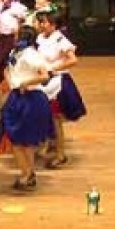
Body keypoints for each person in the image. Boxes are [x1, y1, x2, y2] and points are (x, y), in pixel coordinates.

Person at [0, 25, 54, 191]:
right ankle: (28, 173)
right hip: (17, 98)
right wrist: (7, 83)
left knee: (21, 140)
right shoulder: (16, 52)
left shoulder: (31, 55)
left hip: (31, 99)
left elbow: (44, 75)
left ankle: (27, 175)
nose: (14, 35)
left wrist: (25, 83)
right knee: (19, 140)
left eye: (17, 34)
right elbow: (8, 69)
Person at [35, 11, 86, 168]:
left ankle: (60, 154)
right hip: (43, 81)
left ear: (53, 25)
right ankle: (49, 144)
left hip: (57, 83)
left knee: (56, 119)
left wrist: (53, 68)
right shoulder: (40, 38)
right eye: (40, 22)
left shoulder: (60, 39)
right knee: (45, 117)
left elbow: (73, 60)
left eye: (44, 22)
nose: (41, 25)